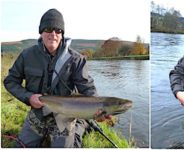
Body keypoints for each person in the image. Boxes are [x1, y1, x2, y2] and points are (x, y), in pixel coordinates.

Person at [4, 8, 109, 148]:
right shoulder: (26, 55)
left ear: (62, 34)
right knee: (22, 146)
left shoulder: (76, 60)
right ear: (41, 32)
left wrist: (98, 109)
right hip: (38, 114)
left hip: (66, 116)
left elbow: (88, 89)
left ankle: (79, 126)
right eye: (48, 29)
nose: (53, 34)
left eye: (58, 30)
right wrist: (28, 97)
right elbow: (10, 81)